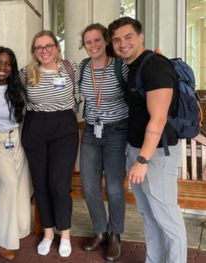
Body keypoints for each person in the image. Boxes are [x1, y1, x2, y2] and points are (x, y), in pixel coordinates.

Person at [108, 17, 187, 263]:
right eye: (117, 39)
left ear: (141, 37)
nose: (123, 43)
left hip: (155, 154)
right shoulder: (134, 66)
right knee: (149, 214)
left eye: (128, 36)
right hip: (138, 151)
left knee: (167, 218)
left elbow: (159, 118)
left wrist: (142, 159)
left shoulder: (155, 66)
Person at [20, 30, 79, 258]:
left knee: (59, 184)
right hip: (35, 127)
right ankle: (47, 233)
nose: (44, 51)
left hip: (64, 127)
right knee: (41, 184)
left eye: (48, 46)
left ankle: (64, 234)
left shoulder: (70, 68)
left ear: (56, 47)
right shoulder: (26, 73)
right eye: (39, 47)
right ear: (34, 51)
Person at [78, 23, 129, 262]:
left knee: (115, 188)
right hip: (90, 131)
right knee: (89, 186)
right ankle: (100, 231)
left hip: (117, 131)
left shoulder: (120, 66)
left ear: (106, 41)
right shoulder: (83, 67)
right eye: (88, 42)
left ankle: (115, 235)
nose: (93, 46)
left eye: (97, 40)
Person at [0, 46, 31, 260]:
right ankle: (5, 240)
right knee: (9, 182)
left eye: (7, 63)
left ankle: (8, 229)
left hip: (15, 138)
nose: (2, 67)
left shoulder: (18, 87)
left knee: (17, 186)